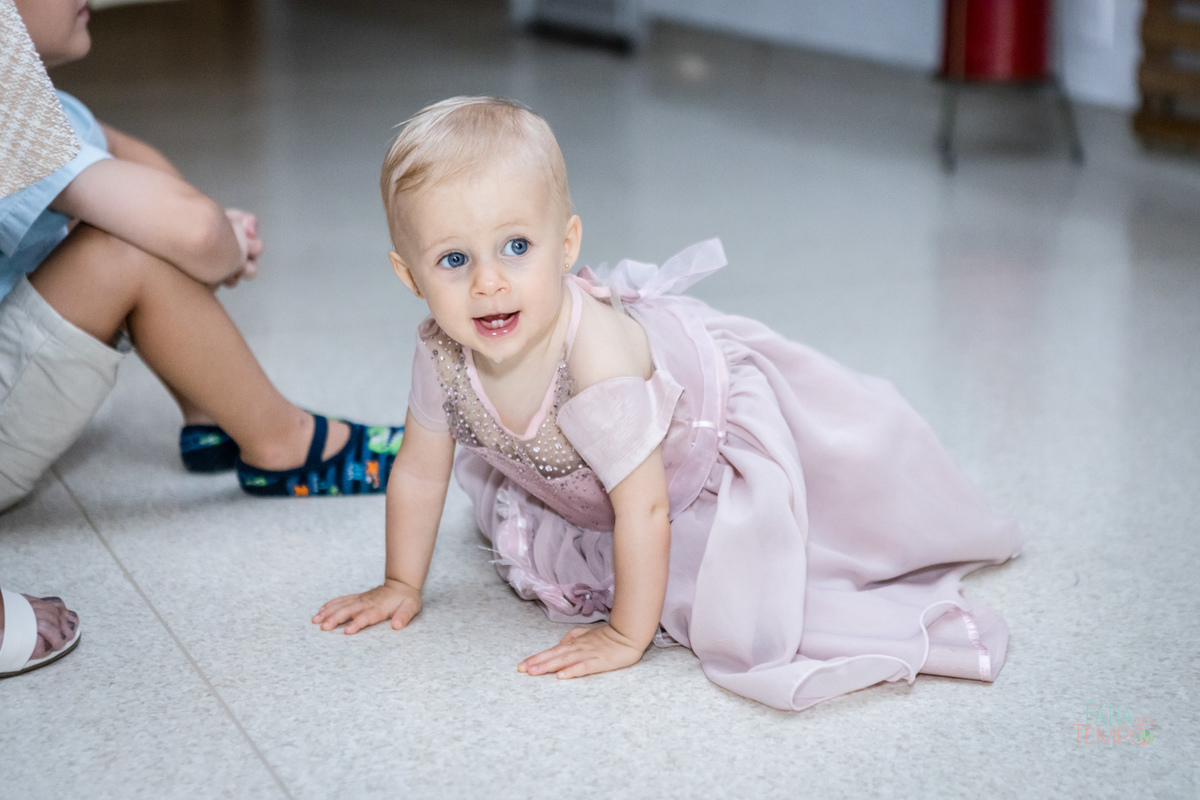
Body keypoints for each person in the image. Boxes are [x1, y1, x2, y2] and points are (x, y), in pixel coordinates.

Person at [313, 96, 1023, 711]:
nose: (489, 283)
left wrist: (626, 634)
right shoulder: (440, 352)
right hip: (594, 484)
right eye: (454, 259)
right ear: (409, 276)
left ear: (566, 244)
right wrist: (401, 582)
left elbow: (646, 509)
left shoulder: (595, 359)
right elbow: (419, 471)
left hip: (678, 470)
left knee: (757, 576)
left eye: (517, 246)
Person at [0, 0, 401, 677]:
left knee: (140, 226)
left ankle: (208, 412)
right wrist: (221, 246)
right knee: (125, 250)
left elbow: (142, 167)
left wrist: (205, 233)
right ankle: (282, 443)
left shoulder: (46, 110)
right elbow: (191, 231)